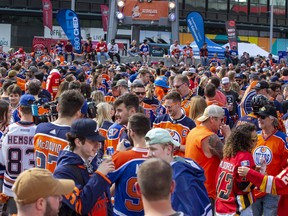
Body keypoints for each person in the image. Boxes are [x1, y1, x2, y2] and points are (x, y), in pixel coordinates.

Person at [54, 118, 115, 215]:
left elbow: (105, 200)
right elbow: (80, 205)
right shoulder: (62, 172)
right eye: (92, 141)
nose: (98, 145)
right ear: (78, 142)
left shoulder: (92, 161)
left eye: (98, 141)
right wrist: (99, 176)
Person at [145, 128, 212, 216]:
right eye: (147, 149)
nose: (148, 154)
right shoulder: (182, 163)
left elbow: (189, 212)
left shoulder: (179, 177)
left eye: (152, 149)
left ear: (169, 149)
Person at [185, 105, 231, 212]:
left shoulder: (193, 131)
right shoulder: (209, 137)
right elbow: (229, 156)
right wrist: (228, 135)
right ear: (212, 119)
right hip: (206, 191)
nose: (222, 123)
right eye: (221, 119)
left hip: (193, 187)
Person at [0, 94, 37, 215]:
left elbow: (2, 161)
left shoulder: (8, 130)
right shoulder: (39, 131)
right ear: (35, 109)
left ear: (19, 108)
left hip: (11, 187)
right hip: (32, 187)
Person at [108, 113, 151, 215]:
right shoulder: (158, 157)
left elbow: (101, 182)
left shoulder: (122, 157)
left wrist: (118, 153)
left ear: (131, 132)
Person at [33, 90, 84, 173]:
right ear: (78, 113)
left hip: (39, 182)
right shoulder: (75, 138)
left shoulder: (40, 128)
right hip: (60, 184)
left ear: (57, 107)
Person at [251, 105, 288, 216]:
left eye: (263, 117)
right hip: (254, 187)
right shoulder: (254, 137)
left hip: (272, 189)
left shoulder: (282, 139)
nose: (259, 119)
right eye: (258, 116)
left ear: (272, 119)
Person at [215, 124, 257, 215]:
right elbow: (244, 186)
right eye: (253, 140)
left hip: (221, 206)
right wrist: (259, 175)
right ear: (245, 141)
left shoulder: (228, 154)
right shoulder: (245, 157)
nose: (256, 142)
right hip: (236, 207)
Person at [153, 91, 196, 157]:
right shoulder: (159, 121)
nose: (167, 110)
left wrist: (178, 146)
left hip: (180, 163)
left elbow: (192, 148)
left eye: (169, 107)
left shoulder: (190, 124)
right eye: (166, 107)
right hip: (161, 161)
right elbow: (151, 141)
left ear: (178, 104)